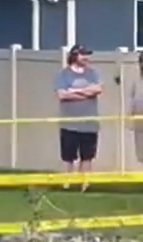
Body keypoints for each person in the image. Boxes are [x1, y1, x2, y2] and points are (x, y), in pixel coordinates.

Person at [58, 44, 103, 188]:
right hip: (69, 124)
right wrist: (85, 92)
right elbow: (62, 94)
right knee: (68, 157)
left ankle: (84, 184)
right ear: (74, 56)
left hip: (89, 124)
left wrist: (74, 91)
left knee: (87, 157)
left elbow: (97, 89)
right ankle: (66, 184)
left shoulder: (93, 73)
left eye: (87, 55)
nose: (86, 58)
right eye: (83, 54)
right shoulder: (63, 74)